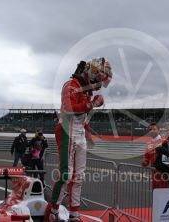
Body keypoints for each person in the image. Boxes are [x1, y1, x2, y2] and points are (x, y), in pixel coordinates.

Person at [45, 58, 112, 222]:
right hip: (66, 129)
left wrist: (88, 134)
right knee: (65, 174)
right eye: (98, 79)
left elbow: (83, 117)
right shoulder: (71, 85)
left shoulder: (86, 90)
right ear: (92, 72)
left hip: (79, 131)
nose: (99, 84)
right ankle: (52, 212)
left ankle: (74, 214)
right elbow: (69, 109)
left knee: (79, 176)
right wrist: (91, 105)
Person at [142, 122, 169, 189]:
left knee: (163, 190)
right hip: (154, 171)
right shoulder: (148, 143)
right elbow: (146, 156)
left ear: (158, 130)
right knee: (155, 190)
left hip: (163, 171)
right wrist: (145, 162)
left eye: (154, 129)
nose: (152, 131)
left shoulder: (164, 141)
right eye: (150, 130)